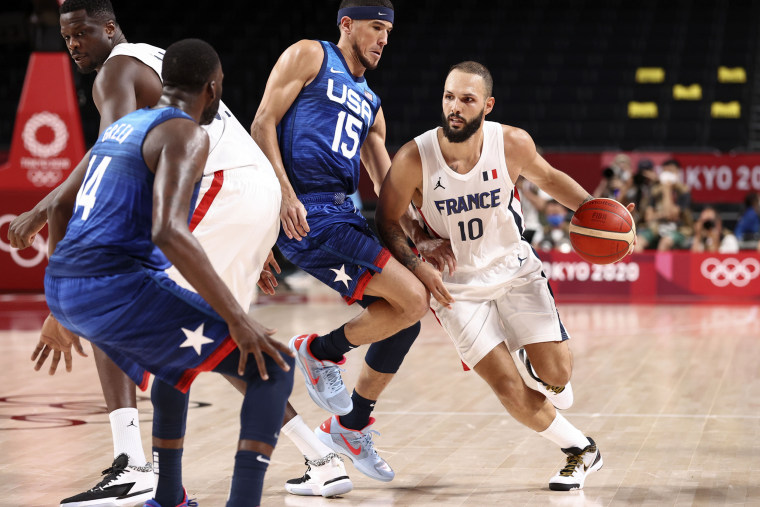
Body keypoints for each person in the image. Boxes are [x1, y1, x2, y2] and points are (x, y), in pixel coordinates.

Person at [8, 0, 352, 502]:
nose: (74, 45)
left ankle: (132, 465)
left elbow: (114, 157)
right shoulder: (155, 60)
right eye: (66, 38)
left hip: (222, 185)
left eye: (81, 33)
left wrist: (45, 210)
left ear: (110, 28)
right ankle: (321, 460)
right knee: (213, 340)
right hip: (243, 190)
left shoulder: (116, 71)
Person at [44, 37, 295, 507]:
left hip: (65, 285)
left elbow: (60, 203)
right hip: (110, 285)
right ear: (213, 91)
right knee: (274, 370)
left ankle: (168, 496)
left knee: (175, 361)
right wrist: (238, 319)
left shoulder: (123, 127)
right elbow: (168, 232)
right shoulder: (186, 134)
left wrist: (58, 310)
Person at [375, 61, 633, 491]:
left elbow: (550, 179)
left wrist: (605, 219)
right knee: (507, 388)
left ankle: (540, 366)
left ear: (487, 105)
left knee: (559, 375)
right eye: (448, 97)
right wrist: (418, 259)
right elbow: (385, 220)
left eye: (467, 100)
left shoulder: (510, 142)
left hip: (514, 270)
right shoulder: (412, 157)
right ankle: (581, 449)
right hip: (455, 287)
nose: (454, 107)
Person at [250, 0, 430, 489]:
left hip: (344, 212)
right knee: (414, 299)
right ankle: (317, 351)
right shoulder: (310, 55)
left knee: (404, 323)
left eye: (388, 32)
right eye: (375, 28)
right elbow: (262, 122)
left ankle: (351, 428)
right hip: (307, 211)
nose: (383, 40)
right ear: (346, 25)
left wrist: (419, 227)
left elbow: (384, 180)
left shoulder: (371, 103)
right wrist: (284, 196)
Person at [634, 158, 693, 252]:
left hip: (679, 230)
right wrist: (661, 215)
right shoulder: (656, 191)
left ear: (677, 173)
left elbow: (672, 216)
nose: (667, 175)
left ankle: (659, 267)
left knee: (665, 242)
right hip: (657, 229)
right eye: (665, 171)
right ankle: (640, 267)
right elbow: (648, 217)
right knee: (637, 242)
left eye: (671, 171)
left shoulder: (683, 192)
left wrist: (667, 190)